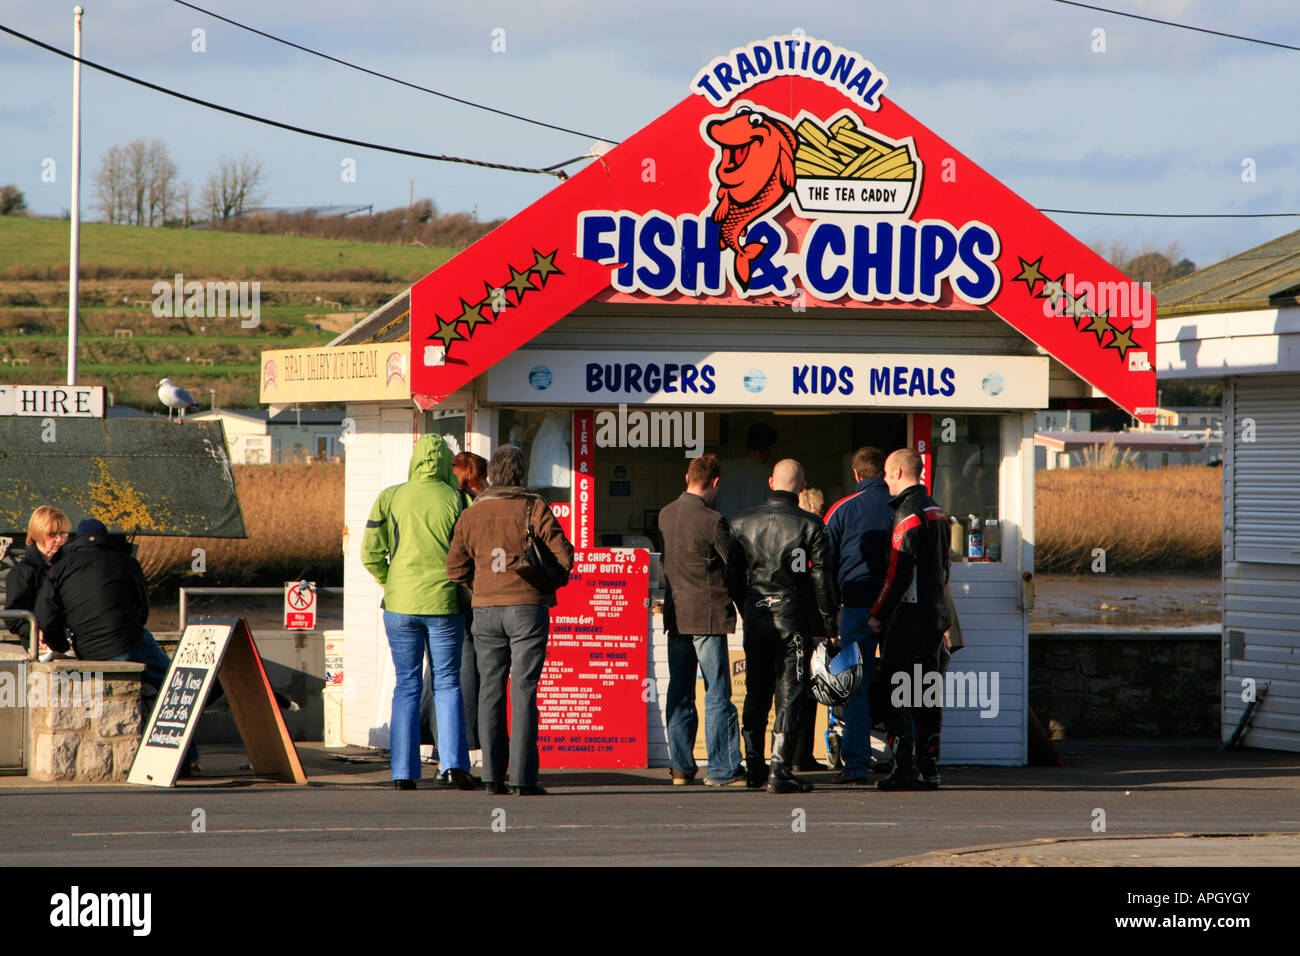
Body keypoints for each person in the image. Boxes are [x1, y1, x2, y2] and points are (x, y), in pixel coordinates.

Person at [446, 444, 574, 796]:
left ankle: (491, 777)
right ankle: (522, 778)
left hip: (485, 610)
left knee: (490, 691)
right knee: (524, 690)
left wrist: (481, 585)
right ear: (520, 473)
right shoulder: (533, 505)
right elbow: (565, 556)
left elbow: (454, 568)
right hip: (527, 608)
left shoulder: (471, 513)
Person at [35, 518, 202, 775]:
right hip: (129, 640)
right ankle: (189, 761)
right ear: (107, 538)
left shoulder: (60, 568)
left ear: (78, 539)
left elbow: (45, 617)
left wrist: (63, 645)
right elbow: (143, 607)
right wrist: (131, 630)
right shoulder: (127, 563)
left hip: (88, 649)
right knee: (175, 686)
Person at [361, 433, 476, 791]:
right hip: (445, 605)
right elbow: (471, 554)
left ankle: (402, 772)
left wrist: (392, 582)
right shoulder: (459, 498)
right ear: (444, 461)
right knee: (447, 683)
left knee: (406, 685)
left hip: (399, 605)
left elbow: (370, 554)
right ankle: (455, 765)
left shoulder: (390, 497)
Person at [727, 459, 838, 793]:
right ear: (802, 486)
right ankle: (780, 769)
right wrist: (830, 622)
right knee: (791, 693)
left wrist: (748, 607)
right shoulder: (812, 525)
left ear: (772, 481)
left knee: (756, 691)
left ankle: (754, 768)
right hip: (794, 618)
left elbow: (732, 577)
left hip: (758, 616)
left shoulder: (741, 522)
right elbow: (822, 581)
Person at [867, 449, 952, 790]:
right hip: (935, 614)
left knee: (897, 690)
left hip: (911, 615)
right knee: (927, 691)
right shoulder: (937, 509)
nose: (885, 480)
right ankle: (929, 766)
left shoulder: (907, 513)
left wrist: (878, 614)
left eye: (887, 474)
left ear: (900, 472)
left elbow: (897, 572)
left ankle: (903, 767)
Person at [658, 453, 745, 787]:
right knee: (717, 693)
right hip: (707, 615)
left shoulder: (666, 515)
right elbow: (733, 568)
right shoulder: (713, 520)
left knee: (679, 691)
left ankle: (680, 766)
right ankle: (722, 769)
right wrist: (744, 605)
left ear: (687, 477)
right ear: (716, 483)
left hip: (677, 614)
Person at [823, 446, 895, 784]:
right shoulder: (902, 507)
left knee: (856, 685)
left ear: (856, 475)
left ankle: (855, 766)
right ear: (884, 472)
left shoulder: (842, 509)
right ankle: (909, 761)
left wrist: (830, 608)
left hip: (856, 607)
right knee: (907, 682)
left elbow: (823, 562)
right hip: (898, 607)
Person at [792, 487, 828, 772]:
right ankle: (802, 755)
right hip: (813, 621)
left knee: (792, 688)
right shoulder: (817, 534)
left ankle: (791, 754)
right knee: (810, 689)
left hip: (789, 619)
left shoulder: (789, 535)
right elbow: (823, 579)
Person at [4, 506, 71, 649]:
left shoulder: (66, 566)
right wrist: (33, 632)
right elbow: (13, 616)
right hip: (41, 648)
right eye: (53, 534)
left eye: (63, 534)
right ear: (38, 533)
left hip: (68, 645)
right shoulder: (23, 572)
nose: (59, 540)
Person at [714, 421, 778, 520]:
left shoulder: (722, 469)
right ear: (771, 448)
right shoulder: (770, 477)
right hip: (755, 533)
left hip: (723, 532)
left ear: (746, 443)